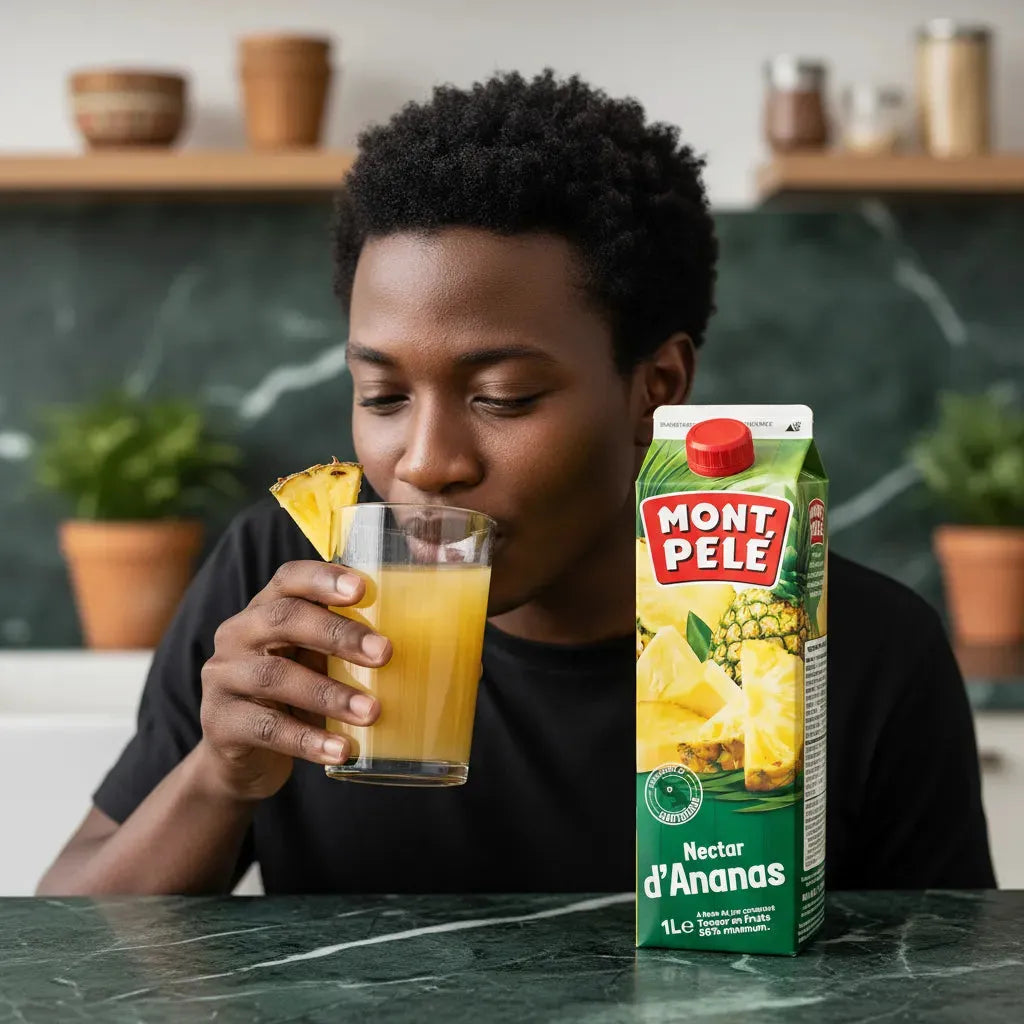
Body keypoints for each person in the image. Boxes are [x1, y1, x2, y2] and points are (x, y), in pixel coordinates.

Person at [39, 70, 995, 896]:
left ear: (654, 390)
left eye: (502, 396)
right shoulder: (283, 571)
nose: (423, 461)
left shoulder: (853, 650)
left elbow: (947, 983)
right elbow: (67, 934)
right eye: (381, 393)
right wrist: (220, 775)